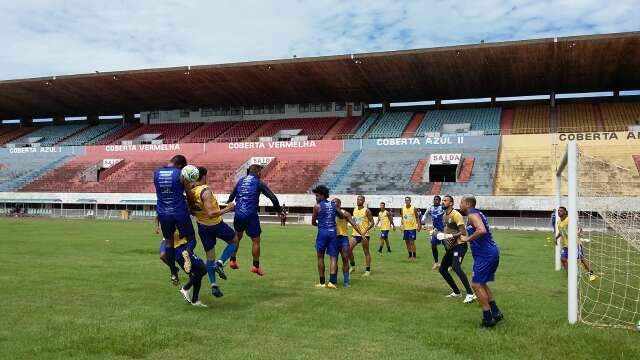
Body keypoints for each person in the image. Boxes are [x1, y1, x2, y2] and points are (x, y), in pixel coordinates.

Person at [226, 164, 283, 276]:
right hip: (251, 214)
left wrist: (229, 202)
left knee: (237, 237)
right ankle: (255, 266)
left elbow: (231, 197)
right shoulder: (258, 182)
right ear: (257, 172)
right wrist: (279, 210)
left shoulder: (240, 181)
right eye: (260, 172)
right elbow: (272, 197)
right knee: (256, 240)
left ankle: (232, 260)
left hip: (238, 214)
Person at [191, 167, 239, 298]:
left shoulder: (190, 191)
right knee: (235, 240)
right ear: (203, 176)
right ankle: (221, 262)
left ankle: (213, 285)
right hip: (215, 225)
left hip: (201, 226)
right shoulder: (204, 191)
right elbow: (211, 214)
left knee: (209, 257)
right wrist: (227, 209)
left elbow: (191, 210)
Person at [458, 196, 503, 328]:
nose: (459, 204)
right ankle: (496, 313)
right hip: (488, 253)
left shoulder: (472, 214)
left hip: (485, 254)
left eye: (461, 202)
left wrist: (468, 239)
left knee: (476, 285)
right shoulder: (476, 213)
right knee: (481, 283)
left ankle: (488, 318)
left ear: (467, 204)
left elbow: (481, 230)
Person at [153, 155, 197, 284]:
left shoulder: (156, 173)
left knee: (168, 243)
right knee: (191, 239)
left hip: (163, 212)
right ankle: (187, 254)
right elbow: (189, 195)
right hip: (179, 212)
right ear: (181, 166)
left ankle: (173, 273)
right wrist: (193, 206)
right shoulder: (181, 174)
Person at [438, 195, 475, 304]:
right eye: (442, 200)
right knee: (442, 269)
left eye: (445, 200)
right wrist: (439, 235)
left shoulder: (456, 214)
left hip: (460, 246)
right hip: (451, 247)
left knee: (455, 266)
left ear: (451, 203)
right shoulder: (444, 215)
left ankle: (470, 293)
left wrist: (450, 236)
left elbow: (463, 232)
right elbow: (448, 231)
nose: (442, 202)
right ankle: (456, 292)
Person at [555, 206, 596, 281]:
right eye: (558, 211)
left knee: (581, 259)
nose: (559, 212)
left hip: (575, 244)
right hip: (566, 245)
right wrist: (556, 238)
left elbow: (579, 229)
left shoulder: (569, 220)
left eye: (560, 211)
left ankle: (591, 273)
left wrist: (579, 232)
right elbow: (561, 231)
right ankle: (569, 274)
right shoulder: (558, 221)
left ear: (565, 212)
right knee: (563, 259)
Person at [348, 195, 375, 276]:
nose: (358, 201)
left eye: (360, 200)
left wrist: (365, 231)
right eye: (357, 199)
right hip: (355, 234)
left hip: (364, 235)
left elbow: (372, 222)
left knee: (366, 252)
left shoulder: (367, 211)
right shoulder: (355, 209)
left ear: (363, 201)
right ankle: (352, 266)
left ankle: (367, 270)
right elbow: (354, 220)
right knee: (348, 249)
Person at [422, 195, 445, 270]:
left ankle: (450, 264)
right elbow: (425, 214)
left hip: (444, 230)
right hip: (435, 230)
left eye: (437, 199)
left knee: (448, 247)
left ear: (440, 201)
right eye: (434, 199)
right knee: (433, 245)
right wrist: (423, 219)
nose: (435, 200)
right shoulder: (430, 208)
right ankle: (436, 263)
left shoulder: (443, 208)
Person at [401, 196, 421, 261]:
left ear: (410, 201)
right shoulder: (403, 208)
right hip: (405, 228)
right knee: (407, 242)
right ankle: (410, 255)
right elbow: (402, 217)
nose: (407, 201)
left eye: (408, 200)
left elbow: (417, 217)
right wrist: (401, 225)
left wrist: (419, 225)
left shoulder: (413, 208)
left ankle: (414, 255)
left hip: (412, 228)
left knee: (412, 242)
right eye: (406, 200)